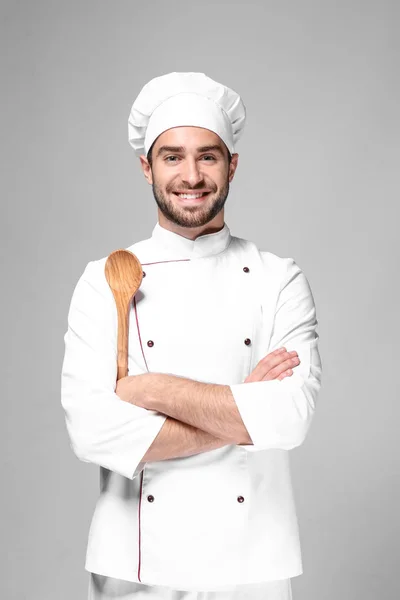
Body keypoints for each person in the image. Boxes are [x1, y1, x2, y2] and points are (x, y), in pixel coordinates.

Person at [60, 72, 322, 600]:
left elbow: (289, 418)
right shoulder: (108, 278)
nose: (191, 175)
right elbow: (93, 432)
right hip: (136, 568)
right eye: (172, 156)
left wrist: (146, 390)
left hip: (253, 567)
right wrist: (244, 409)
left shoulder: (278, 277)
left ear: (232, 165)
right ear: (146, 168)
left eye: (208, 156)